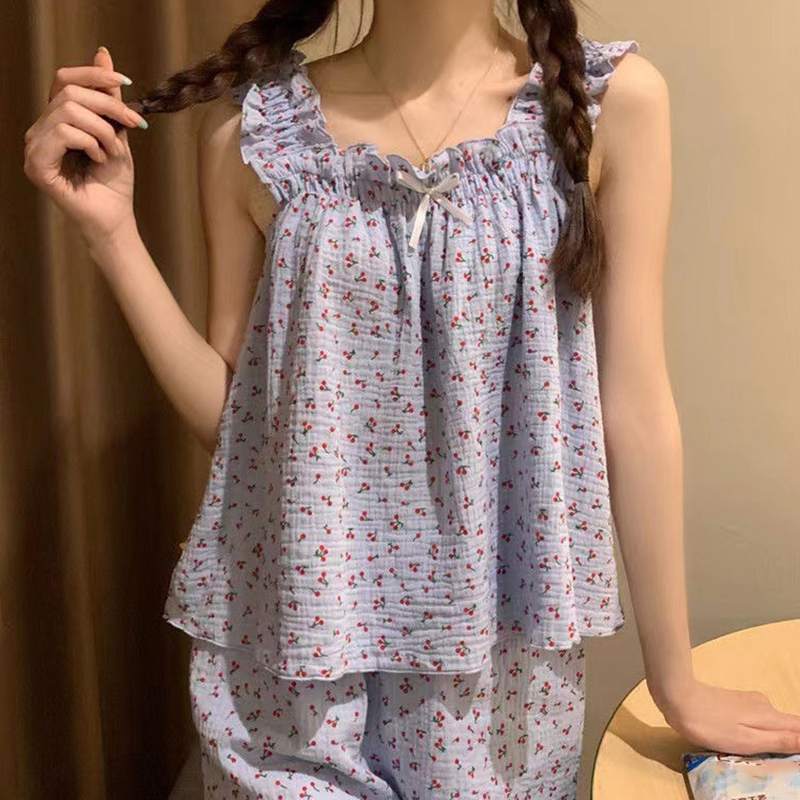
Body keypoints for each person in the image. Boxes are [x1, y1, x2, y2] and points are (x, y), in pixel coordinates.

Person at [23, 1, 800, 798]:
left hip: (494, 691)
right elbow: (244, 428)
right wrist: (111, 237)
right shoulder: (252, 132)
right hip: (291, 669)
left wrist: (675, 681)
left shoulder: (614, 106)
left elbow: (633, 405)